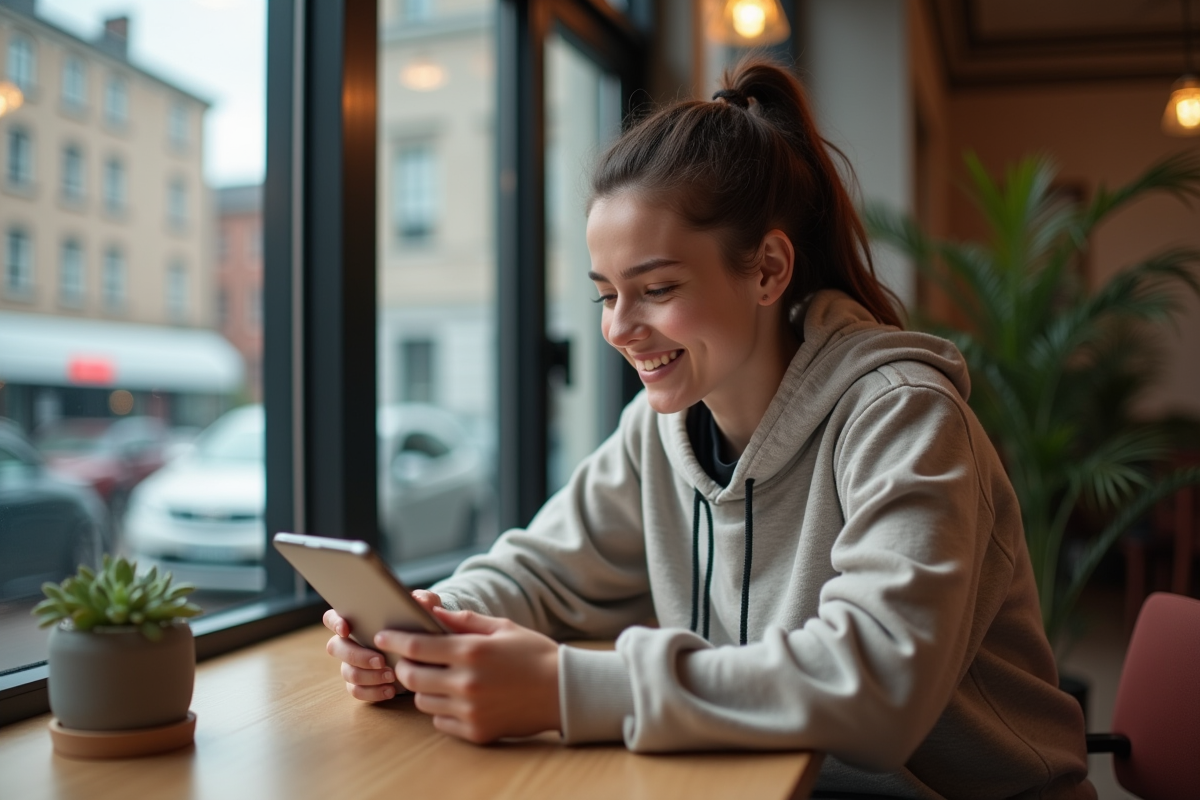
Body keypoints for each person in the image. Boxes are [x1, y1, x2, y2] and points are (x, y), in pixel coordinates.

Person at [325, 56, 1094, 799]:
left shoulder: (903, 417)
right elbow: (543, 573)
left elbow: (879, 689)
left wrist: (567, 689)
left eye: (656, 288)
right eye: (605, 296)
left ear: (766, 269)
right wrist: (425, 627)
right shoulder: (659, 430)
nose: (621, 329)